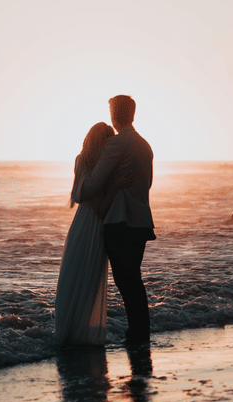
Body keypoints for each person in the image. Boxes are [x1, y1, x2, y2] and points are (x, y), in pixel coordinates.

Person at [80, 95, 156, 345]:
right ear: (132, 114)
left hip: (120, 222)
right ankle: (139, 333)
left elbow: (92, 184)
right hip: (142, 221)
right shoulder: (145, 145)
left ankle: (137, 335)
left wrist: (84, 180)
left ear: (114, 114)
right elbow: (148, 184)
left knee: (126, 281)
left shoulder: (117, 144)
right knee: (133, 279)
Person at [55, 122, 127, 346]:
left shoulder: (93, 162)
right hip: (91, 225)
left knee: (80, 277)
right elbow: (89, 202)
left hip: (87, 223)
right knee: (81, 278)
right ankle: (76, 333)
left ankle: (73, 331)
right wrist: (113, 186)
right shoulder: (90, 165)